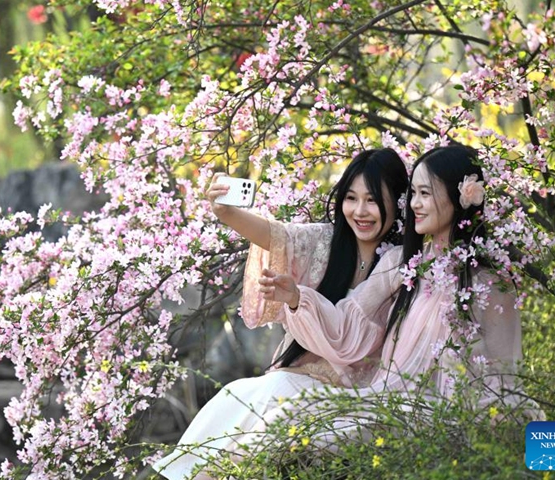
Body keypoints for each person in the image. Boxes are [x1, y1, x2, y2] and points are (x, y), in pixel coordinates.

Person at [250, 144, 541, 457]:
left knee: (311, 442)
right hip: (388, 403)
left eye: (425, 193)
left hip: (444, 415)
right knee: (278, 426)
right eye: (412, 193)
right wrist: (297, 298)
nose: (414, 204)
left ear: (460, 197)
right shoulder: (402, 263)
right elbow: (347, 325)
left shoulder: (489, 281)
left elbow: (500, 373)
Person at [152, 148, 409, 479]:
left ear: (398, 202)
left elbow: (353, 334)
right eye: (351, 198)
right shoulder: (328, 241)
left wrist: (297, 298)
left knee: (271, 395)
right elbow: (276, 236)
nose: (360, 211)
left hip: (357, 389)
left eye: (373, 200)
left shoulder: (400, 261)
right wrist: (226, 212)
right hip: (301, 377)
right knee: (238, 395)